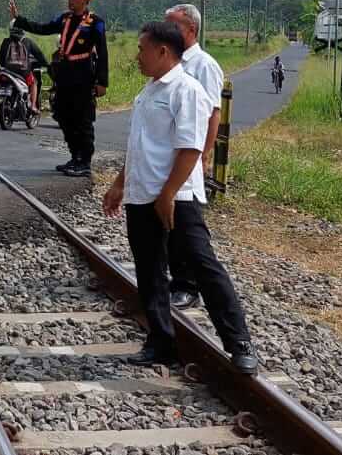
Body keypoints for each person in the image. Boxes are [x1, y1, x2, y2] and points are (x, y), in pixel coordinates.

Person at [100, 21, 259, 373]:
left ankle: (240, 342)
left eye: (142, 49)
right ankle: (161, 341)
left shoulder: (185, 90)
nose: (137, 56)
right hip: (143, 195)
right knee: (150, 270)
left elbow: (190, 148)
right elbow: (139, 146)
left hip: (177, 198)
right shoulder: (149, 91)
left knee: (203, 266)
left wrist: (168, 194)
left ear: (163, 52)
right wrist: (119, 184)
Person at [8, 0, 108, 177]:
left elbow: (103, 52)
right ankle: (74, 156)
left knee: (82, 119)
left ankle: (84, 161)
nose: (69, 0)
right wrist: (18, 19)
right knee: (62, 115)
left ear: (85, 0)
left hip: (84, 75)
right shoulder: (64, 19)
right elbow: (42, 28)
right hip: (64, 74)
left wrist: (102, 82)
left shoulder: (96, 23)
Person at [162, 3, 224, 308]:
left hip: (189, 156)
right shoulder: (170, 61)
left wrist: (203, 155)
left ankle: (188, 285)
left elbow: (213, 114)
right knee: (167, 222)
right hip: (167, 154)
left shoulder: (203, 65)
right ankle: (172, 279)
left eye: (174, 26)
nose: (168, 31)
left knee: (187, 225)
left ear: (191, 30)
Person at [0, 26, 47, 111]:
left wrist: (7, 66)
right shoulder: (28, 42)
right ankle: (33, 106)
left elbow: (0, 58)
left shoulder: (6, 41)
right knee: (34, 82)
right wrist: (46, 64)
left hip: (8, 71)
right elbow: (40, 56)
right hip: (23, 73)